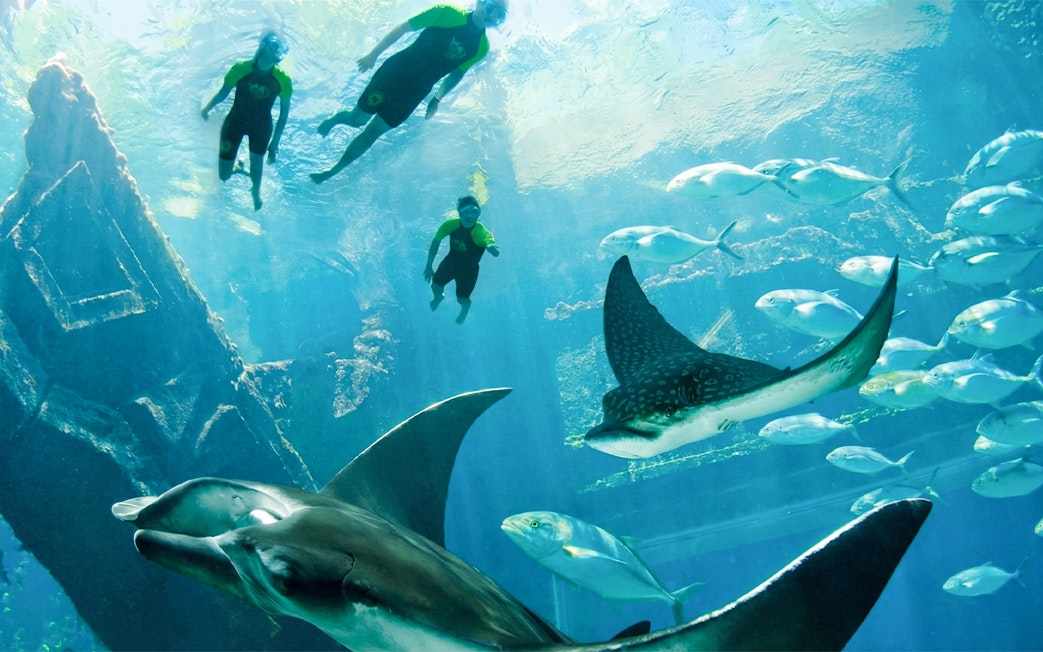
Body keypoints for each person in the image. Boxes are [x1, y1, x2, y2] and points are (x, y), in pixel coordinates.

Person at [310, 0, 508, 184]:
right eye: (492, 7)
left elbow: (456, 75)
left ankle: (333, 171)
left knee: (373, 133)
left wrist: (437, 98)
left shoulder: (482, 48)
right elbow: (403, 28)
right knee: (357, 120)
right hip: (393, 75)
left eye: (500, 16)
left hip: (414, 93)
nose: (493, 16)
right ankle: (334, 120)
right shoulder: (446, 12)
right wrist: (373, 54)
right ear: (480, 1)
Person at [201, 32, 292, 210]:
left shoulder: (283, 79)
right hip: (234, 124)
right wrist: (207, 108)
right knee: (223, 176)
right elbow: (223, 93)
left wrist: (275, 142)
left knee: (257, 169)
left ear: (278, 59)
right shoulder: (239, 69)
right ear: (260, 49)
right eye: (267, 52)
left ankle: (255, 192)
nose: (268, 58)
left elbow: (284, 114)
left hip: (261, 128)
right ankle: (237, 167)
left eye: (273, 56)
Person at [424, 195, 500, 323]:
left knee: (461, 299)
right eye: (465, 212)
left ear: (479, 212)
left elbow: (489, 241)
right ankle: (438, 298)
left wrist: (491, 246)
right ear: (459, 213)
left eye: (474, 211)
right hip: (451, 262)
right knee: (435, 285)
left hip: (469, 271)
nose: (470, 216)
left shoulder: (480, 231)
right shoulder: (450, 225)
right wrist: (428, 266)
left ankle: (465, 307)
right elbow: (435, 242)